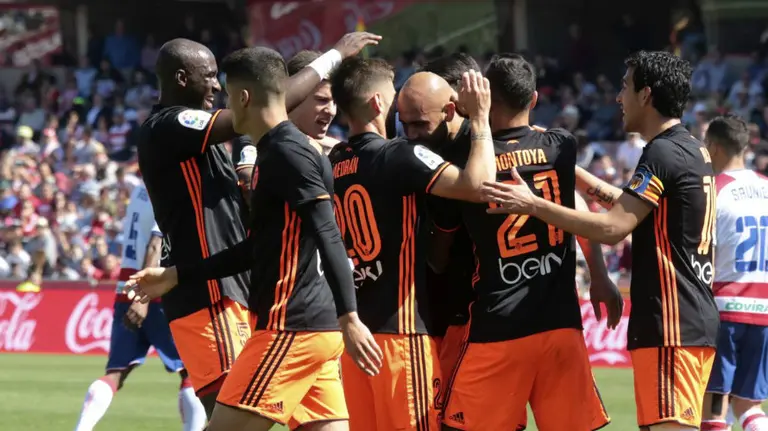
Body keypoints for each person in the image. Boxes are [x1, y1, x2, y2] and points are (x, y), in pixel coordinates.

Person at [126, 46, 381, 431]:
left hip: (275, 310)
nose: (216, 88)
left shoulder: (282, 151)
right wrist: (332, 56)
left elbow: (305, 234)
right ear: (181, 79)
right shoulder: (169, 125)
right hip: (214, 300)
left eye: (223, 83)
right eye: (209, 77)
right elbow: (255, 112)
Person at [481, 50, 719, 431]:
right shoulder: (689, 148)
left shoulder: (661, 152)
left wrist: (533, 204)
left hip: (672, 325)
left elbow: (612, 228)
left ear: (645, 94)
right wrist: (561, 166)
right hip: (690, 320)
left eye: (625, 87)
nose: (618, 98)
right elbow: (629, 206)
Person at [398, 56, 621, 393]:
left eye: (423, 115)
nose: (412, 131)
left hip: (471, 319)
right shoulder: (544, 143)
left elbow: (438, 258)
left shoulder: (461, 159)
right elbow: (573, 196)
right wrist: (599, 274)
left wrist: (599, 275)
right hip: (521, 317)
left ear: (455, 102)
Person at [327, 60, 496, 429]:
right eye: (393, 95)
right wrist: (481, 119)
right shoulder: (400, 154)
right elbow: (478, 185)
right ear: (377, 102)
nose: (398, 106)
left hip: (356, 341)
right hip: (402, 335)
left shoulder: (334, 161)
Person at [74, 184, 206, 431]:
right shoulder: (166, 188)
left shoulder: (138, 191)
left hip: (126, 289)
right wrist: (143, 297)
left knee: (115, 373)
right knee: (192, 372)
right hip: (156, 292)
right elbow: (156, 244)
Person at [701, 116, 768, 431]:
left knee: (715, 405)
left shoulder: (714, 191)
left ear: (713, 147)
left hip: (725, 311)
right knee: (749, 405)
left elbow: (703, 255)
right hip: (763, 310)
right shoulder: (767, 187)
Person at [286, 50, 340, 155]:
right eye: (322, 100)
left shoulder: (338, 154)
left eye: (335, 102)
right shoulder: (260, 148)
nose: (332, 111)